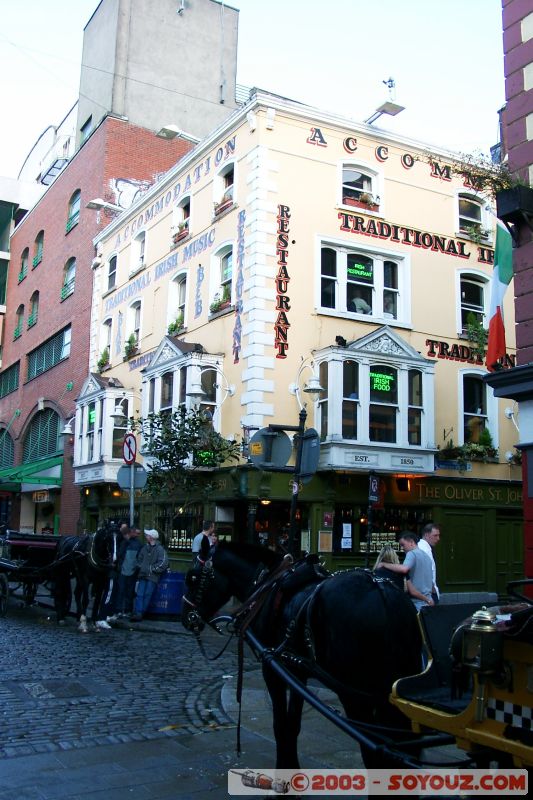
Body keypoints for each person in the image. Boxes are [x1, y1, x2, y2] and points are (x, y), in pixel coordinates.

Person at [379, 532, 434, 611]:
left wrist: (384, 564)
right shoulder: (427, 557)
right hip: (428, 602)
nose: (402, 548)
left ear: (411, 542)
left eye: (403, 545)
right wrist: (428, 599)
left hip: (417, 603)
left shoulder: (412, 553)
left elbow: (404, 569)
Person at [130, 529, 169, 621]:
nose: (146, 536)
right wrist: (141, 567)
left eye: (147, 535)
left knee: (147, 594)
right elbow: (139, 559)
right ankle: (139, 613)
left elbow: (163, 563)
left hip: (152, 576)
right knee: (140, 594)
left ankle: (140, 613)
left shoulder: (160, 549)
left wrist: (151, 569)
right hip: (143, 575)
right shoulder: (145, 548)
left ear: (151, 537)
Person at [112, 527, 142, 618]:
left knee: (124, 591)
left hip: (128, 571)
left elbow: (119, 555)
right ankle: (124, 610)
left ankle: (121, 610)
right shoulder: (134, 543)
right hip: (127, 571)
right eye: (137, 533)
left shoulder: (131, 543)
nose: (138, 535)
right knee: (127, 592)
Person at [418, 523, 441, 604]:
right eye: (435, 535)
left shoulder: (425, 548)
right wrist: (433, 592)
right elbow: (425, 573)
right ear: (427, 535)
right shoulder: (424, 550)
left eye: (439, 535)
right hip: (427, 594)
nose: (438, 538)